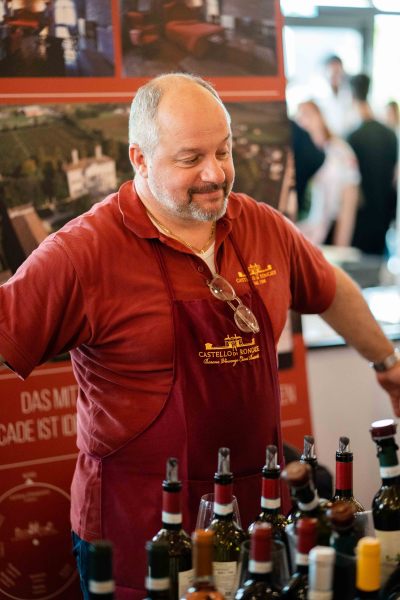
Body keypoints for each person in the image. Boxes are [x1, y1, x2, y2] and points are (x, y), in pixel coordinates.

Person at [1, 73, 400, 600]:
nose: (215, 173)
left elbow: (330, 289)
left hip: (257, 522)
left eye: (224, 151)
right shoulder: (82, 253)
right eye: (191, 159)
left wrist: (387, 365)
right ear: (140, 159)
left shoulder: (262, 226)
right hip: (136, 530)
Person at [295, 100, 360, 247]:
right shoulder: (300, 153)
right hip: (303, 233)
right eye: (299, 117)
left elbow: (349, 199)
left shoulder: (340, 151)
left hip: (331, 229)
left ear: (320, 116)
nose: (303, 121)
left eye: (307, 114)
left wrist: (341, 244)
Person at [347, 73, 398, 256]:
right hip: (383, 215)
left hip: (361, 219)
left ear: (352, 96)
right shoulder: (390, 135)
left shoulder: (353, 137)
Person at [313, 54, 358, 138]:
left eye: (338, 72)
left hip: (348, 137)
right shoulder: (318, 97)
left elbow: (353, 120)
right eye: (333, 72)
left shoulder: (349, 94)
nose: (336, 76)